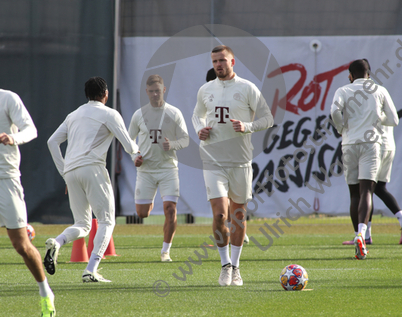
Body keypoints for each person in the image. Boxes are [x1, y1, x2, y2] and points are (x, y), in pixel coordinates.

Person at [193, 45, 273, 285]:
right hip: (213, 160)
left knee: (238, 217)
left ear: (233, 62)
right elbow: (196, 114)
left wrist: (247, 126)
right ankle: (224, 264)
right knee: (219, 214)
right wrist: (200, 128)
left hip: (240, 162)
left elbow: (268, 118)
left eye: (222, 60)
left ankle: (236, 267)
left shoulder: (248, 88)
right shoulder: (205, 90)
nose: (218, 64)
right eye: (215, 61)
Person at [46, 77, 140, 282]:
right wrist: (139, 152)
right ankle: (91, 269)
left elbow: (52, 142)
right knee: (106, 220)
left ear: (87, 95)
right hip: (93, 169)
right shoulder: (109, 113)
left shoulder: (73, 115)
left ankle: (58, 242)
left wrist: (64, 172)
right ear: (105, 94)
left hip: (71, 171)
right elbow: (129, 146)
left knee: (82, 224)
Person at [330, 59, 399, 259]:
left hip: (350, 143)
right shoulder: (380, 90)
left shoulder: (343, 90)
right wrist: (377, 119)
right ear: (369, 73)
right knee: (367, 191)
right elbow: (393, 119)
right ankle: (362, 233)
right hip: (372, 143)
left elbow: (334, 111)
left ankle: (356, 236)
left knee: (354, 194)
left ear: (350, 75)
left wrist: (341, 127)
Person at [342, 59, 402, 246]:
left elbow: (391, 119)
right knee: (376, 189)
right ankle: (400, 221)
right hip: (387, 145)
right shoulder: (379, 94)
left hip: (377, 146)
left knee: (365, 190)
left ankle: (365, 235)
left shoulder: (366, 96)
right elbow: (392, 118)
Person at [0, 89, 55, 317]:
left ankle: (45, 292)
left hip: (6, 179)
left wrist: (14, 138)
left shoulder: (8, 98)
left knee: (21, 245)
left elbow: (31, 129)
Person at [129, 74, 189, 262]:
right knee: (142, 213)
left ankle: (165, 252)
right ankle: (151, 198)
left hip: (168, 169)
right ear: (147, 92)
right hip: (146, 170)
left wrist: (172, 145)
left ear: (164, 90)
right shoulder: (139, 114)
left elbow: (185, 139)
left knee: (170, 209)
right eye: (151, 91)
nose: (155, 94)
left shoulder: (174, 113)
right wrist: (134, 157)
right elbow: (129, 140)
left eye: (158, 90)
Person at [205, 68, 250, 245]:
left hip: (236, 155)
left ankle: (236, 230)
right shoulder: (206, 97)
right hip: (214, 158)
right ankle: (227, 234)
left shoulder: (237, 95)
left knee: (235, 201)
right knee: (220, 208)